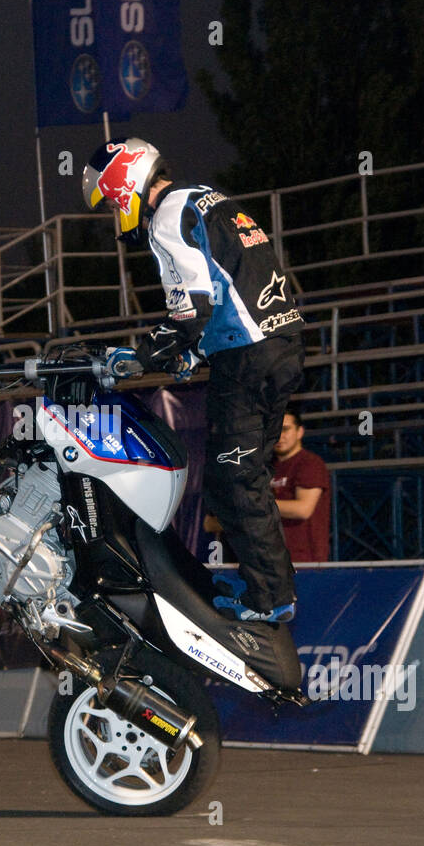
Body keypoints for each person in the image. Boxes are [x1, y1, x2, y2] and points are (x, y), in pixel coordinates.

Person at [82, 137, 306, 623]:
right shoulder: (205, 197)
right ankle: (269, 591)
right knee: (245, 477)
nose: (113, 213)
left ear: (123, 184)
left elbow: (191, 308)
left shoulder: (166, 218)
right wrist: (194, 349)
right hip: (279, 345)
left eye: (109, 200)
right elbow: (228, 284)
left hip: (248, 357)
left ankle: (270, 598)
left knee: (232, 478)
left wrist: (142, 356)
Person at [270, 407, 330, 563]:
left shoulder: (309, 463)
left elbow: (303, 509)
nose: (279, 436)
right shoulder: (265, 468)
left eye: (285, 429)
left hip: (303, 559)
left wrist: (257, 506)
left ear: (300, 432)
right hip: (269, 559)